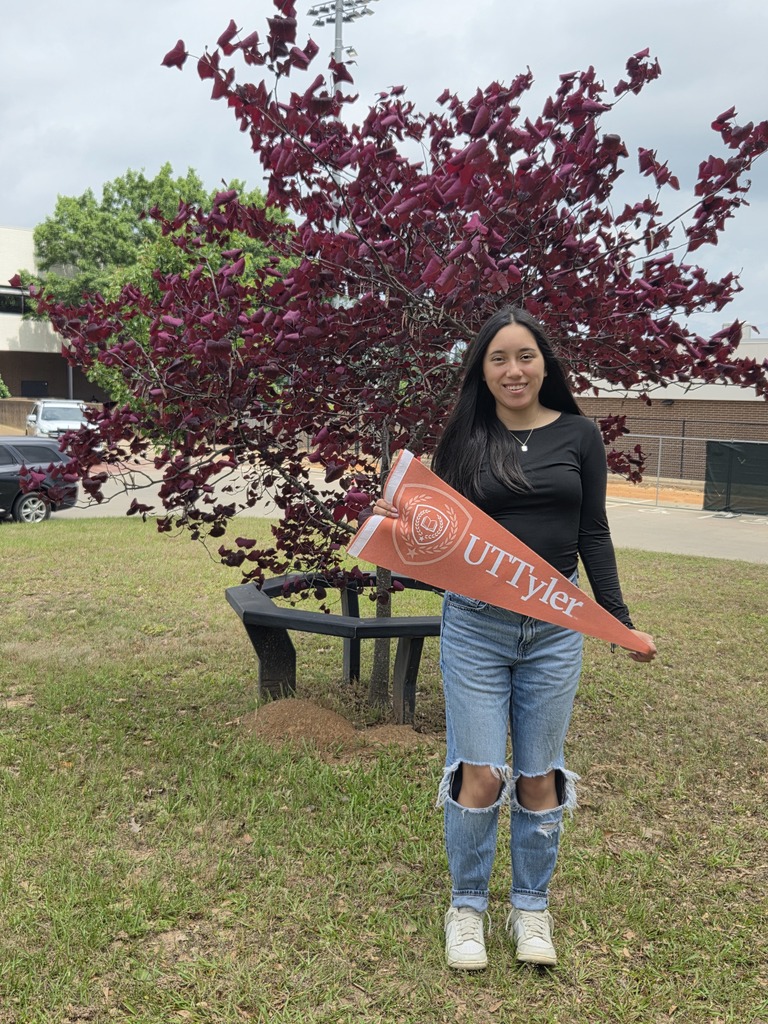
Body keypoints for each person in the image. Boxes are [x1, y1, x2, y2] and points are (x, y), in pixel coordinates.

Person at [371, 305, 656, 971]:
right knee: (478, 772)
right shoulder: (466, 436)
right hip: (475, 624)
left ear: (544, 364)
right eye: (498, 358)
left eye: (524, 356)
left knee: (537, 778)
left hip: (555, 628)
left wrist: (615, 619)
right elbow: (436, 535)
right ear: (482, 370)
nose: (513, 369)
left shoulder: (580, 435)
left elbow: (593, 534)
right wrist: (393, 523)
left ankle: (531, 908)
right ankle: (466, 906)